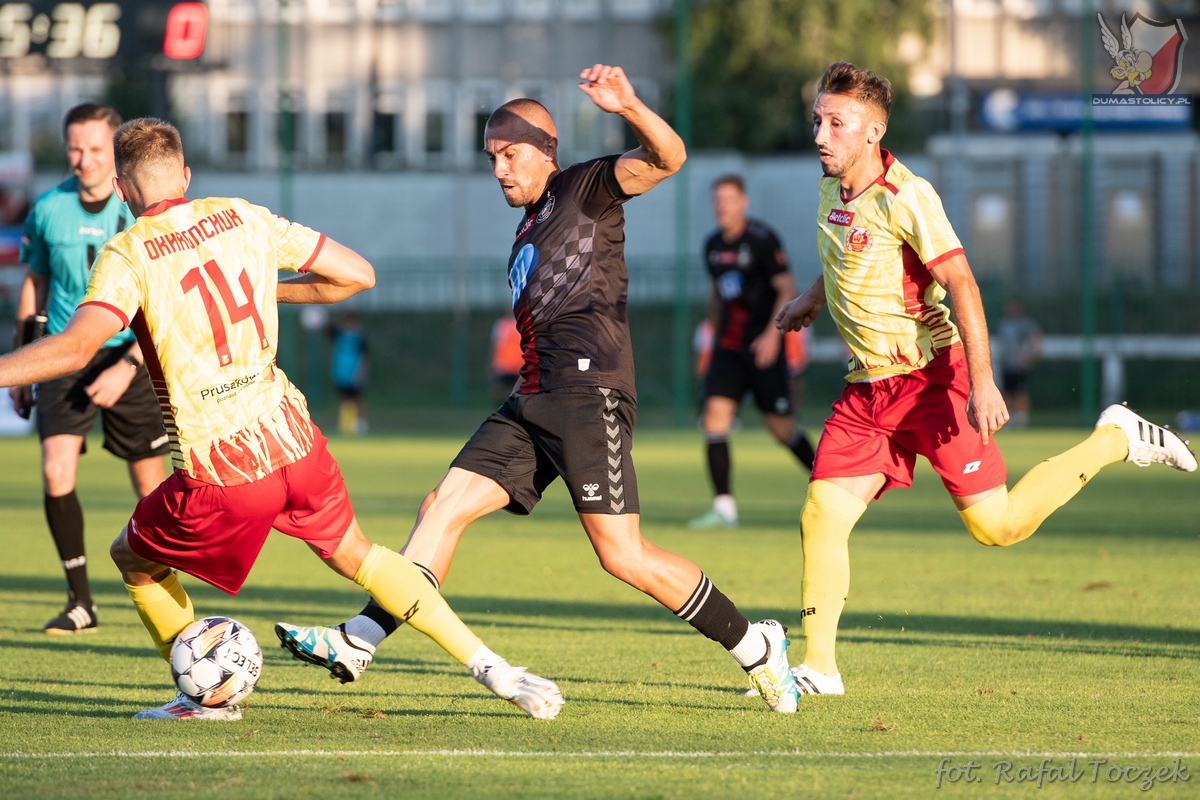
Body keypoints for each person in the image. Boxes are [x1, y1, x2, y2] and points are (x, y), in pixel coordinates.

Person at [277, 64, 802, 713]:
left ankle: (757, 646)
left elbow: (669, 157)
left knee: (623, 556)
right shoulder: (526, 227)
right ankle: (359, 641)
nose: (500, 168)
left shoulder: (585, 187)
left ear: (548, 149)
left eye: (511, 154)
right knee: (442, 504)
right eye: (492, 156)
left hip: (590, 394)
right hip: (532, 397)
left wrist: (630, 105)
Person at [0, 118, 563, 721]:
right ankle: (492, 667)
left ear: (122, 188)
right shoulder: (244, 215)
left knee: (133, 559)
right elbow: (356, 275)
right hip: (295, 441)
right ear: (186, 176)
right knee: (363, 556)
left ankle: (203, 699)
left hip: (222, 466)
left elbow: (76, 349)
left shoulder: (128, 251)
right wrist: (268, 289)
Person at [774, 62, 1196, 698]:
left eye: (836, 123)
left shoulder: (907, 195)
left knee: (997, 526)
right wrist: (812, 298)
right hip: (867, 389)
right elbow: (847, 252)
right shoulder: (831, 189)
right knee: (822, 514)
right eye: (818, 120)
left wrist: (984, 380)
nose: (821, 135)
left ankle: (1113, 438)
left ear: (874, 130)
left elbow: (962, 283)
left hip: (930, 380)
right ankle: (821, 669)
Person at [10, 103, 168, 635]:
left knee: (151, 488)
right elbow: (35, 282)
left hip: (130, 352)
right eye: (75, 148)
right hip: (61, 351)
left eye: (96, 149)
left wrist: (127, 365)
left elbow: (164, 300)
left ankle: (166, 596)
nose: (84, 159)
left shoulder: (142, 213)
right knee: (57, 471)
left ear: (115, 152)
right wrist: (25, 357)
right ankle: (81, 602)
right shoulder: (48, 208)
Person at [690, 175, 814, 529]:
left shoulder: (762, 238)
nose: (722, 205)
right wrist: (711, 334)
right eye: (717, 199)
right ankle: (724, 508)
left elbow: (786, 286)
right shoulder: (712, 245)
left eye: (728, 199)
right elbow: (717, 293)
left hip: (763, 348)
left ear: (743, 202)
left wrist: (773, 336)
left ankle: (832, 484)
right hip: (728, 350)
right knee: (715, 417)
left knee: (780, 428)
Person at [997, 298, 1042, 428]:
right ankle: (1009, 418)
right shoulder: (1004, 323)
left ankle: (1021, 419)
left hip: (1019, 364)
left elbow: (1036, 337)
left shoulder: (1025, 323)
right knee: (1007, 391)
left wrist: (1029, 356)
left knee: (1021, 392)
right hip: (1007, 363)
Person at [330, 311, 368, 435]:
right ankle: (345, 423)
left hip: (354, 371)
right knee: (343, 398)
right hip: (341, 372)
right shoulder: (339, 334)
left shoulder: (359, 337)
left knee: (357, 398)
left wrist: (361, 372)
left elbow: (365, 356)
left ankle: (361, 424)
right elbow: (327, 329)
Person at [489, 309, 523, 401]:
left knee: (517, 391)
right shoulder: (500, 324)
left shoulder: (523, 323)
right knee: (498, 391)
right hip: (503, 365)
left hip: (518, 365)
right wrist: (491, 364)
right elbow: (495, 345)